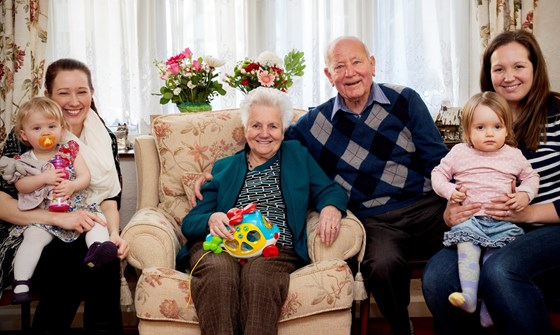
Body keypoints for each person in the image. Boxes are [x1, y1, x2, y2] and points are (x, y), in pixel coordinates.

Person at [194, 36, 450, 335]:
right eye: (339, 66)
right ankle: (401, 328)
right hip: (376, 220)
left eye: (357, 62)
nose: (350, 72)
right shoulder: (314, 124)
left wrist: (456, 199)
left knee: (483, 235)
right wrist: (217, 171)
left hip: (426, 206)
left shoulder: (405, 99)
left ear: (372, 65)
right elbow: (266, 141)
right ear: (329, 76)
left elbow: (438, 158)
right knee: (380, 265)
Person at [177, 87, 348, 335]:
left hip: (275, 249)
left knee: (259, 274)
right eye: (256, 125)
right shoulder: (225, 167)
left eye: (273, 126)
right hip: (223, 246)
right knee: (219, 273)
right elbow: (190, 222)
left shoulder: (298, 157)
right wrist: (211, 218)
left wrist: (331, 206)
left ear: (283, 130)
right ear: (245, 129)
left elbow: (330, 190)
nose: (264, 134)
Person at [422, 30, 560, 335]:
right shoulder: (480, 120)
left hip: (550, 228)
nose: (508, 76)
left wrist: (529, 213)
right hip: (483, 227)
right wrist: (450, 212)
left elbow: (529, 183)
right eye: (499, 68)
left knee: (500, 269)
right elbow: (457, 176)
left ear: (535, 69)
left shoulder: (557, 114)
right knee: (437, 277)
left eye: (519, 66)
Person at [0, 58, 128, 334]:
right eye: (63, 93)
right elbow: (3, 204)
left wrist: (114, 234)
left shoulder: (105, 138)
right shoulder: (29, 134)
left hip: (89, 221)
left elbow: (109, 198)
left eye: (81, 91)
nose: (74, 101)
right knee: (69, 258)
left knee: (105, 258)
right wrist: (61, 220)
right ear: (48, 95)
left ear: (92, 93)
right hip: (31, 230)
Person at [430, 91, 539, 325]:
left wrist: (524, 194)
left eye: (497, 126)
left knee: (494, 264)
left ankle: (488, 311)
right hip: (470, 222)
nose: (489, 133)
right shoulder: (459, 152)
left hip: (501, 224)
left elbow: (531, 177)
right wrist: (450, 191)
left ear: (507, 129)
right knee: (467, 251)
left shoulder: (514, 155)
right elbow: (437, 174)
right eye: (480, 127)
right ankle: (469, 297)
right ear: (467, 130)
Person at [4, 97, 118, 304]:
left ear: (61, 128)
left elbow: (85, 177)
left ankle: (98, 250)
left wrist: (73, 186)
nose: (46, 132)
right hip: (45, 215)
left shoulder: (70, 151)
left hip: (75, 208)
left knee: (98, 221)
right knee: (33, 238)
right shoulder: (24, 161)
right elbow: (21, 187)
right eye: (37, 128)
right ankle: (21, 282)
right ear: (24, 135)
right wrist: (43, 178)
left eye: (51, 126)